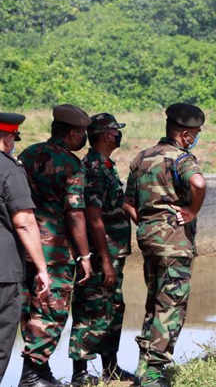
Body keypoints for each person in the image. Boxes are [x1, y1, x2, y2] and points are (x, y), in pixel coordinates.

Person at [123, 103, 207, 387]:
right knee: (171, 307)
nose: (195, 138)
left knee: (154, 302)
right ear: (184, 134)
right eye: (194, 133)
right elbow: (198, 182)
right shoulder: (181, 159)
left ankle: (143, 368)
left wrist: (149, 224)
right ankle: (154, 375)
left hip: (148, 242)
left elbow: (128, 203)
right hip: (174, 244)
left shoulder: (141, 157)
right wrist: (192, 212)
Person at [18, 105, 94, 387]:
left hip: (25, 245)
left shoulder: (28, 154)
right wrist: (84, 254)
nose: (84, 138)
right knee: (53, 310)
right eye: (83, 133)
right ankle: (32, 376)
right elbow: (75, 214)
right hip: (55, 250)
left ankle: (40, 372)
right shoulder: (71, 165)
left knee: (31, 310)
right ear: (74, 133)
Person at [68, 113, 133, 384]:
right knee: (90, 309)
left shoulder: (106, 165)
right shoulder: (93, 167)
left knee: (113, 308)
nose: (119, 135)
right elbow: (93, 216)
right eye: (116, 131)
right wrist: (104, 260)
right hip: (100, 255)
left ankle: (111, 368)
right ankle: (80, 374)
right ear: (108, 135)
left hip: (114, 253)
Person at [0, 113, 50, 385]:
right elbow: (24, 222)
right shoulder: (9, 169)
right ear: (9, 138)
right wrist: (42, 269)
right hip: (4, 272)